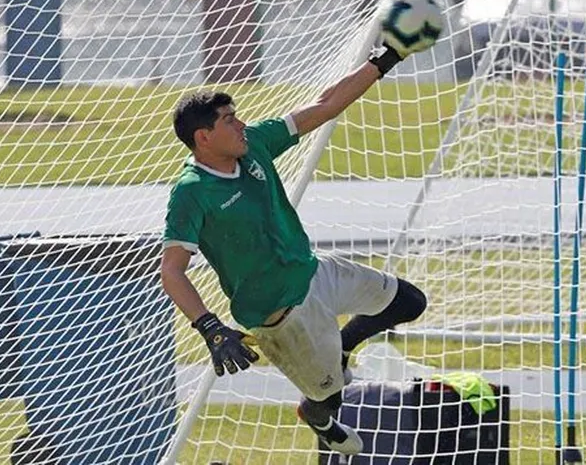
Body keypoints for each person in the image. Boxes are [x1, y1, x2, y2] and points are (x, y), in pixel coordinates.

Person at [160, 39, 430, 455]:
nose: (241, 125)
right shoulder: (192, 193)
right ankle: (316, 416)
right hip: (284, 319)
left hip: (315, 272)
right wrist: (208, 327)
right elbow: (172, 272)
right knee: (329, 399)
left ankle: (340, 347)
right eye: (230, 120)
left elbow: (325, 105)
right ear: (204, 137)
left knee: (410, 302)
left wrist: (387, 58)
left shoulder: (256, 145)